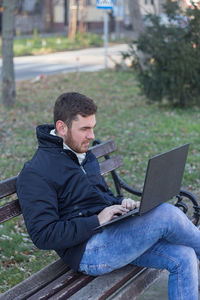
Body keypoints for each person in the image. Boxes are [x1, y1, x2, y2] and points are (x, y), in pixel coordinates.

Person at [17, 92, 200, 300]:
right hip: (89, 252)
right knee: (167, 214)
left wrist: (121, 203)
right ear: (61, 128)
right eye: (85, 129)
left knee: (184, 256)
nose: (92, 136)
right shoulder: (36, 172)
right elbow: (43, 235)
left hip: (112, 233)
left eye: (93, 127)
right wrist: (96, 220)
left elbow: (100, 197)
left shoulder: (83, 154)